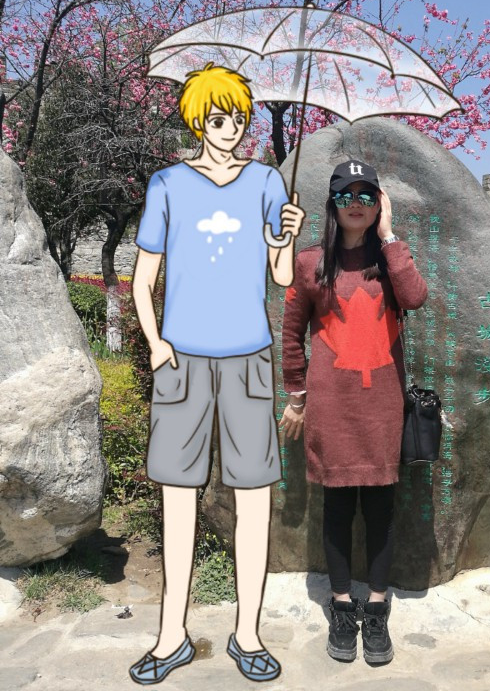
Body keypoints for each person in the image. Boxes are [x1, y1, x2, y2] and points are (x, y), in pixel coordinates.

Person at [129, 63, 304, 685]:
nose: (231, 128)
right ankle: (170, 636)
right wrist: (156, 344)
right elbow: (143, 279)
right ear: (199, 121)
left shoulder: (266, 182)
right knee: (177, 497)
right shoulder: (168, 185)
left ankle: (247, 634)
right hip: (182, 361)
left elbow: (282, 278)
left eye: (239, 118)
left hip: (248, 358)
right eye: (219, 117)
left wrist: (286, 236)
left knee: (254, 497)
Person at [280, 160, 428, 665]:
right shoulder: (310, 263)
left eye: (368, 195)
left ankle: (378, 607)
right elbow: (292, 335)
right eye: (347, 195)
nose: (357, 204)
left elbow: (416, 298)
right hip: (332, 405)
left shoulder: (391, 259)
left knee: (382, 510)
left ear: (379, 203)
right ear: (333, 204)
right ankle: (343, 606)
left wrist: (389, 237)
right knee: (338, 509)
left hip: (383, 404)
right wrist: (296, 396)